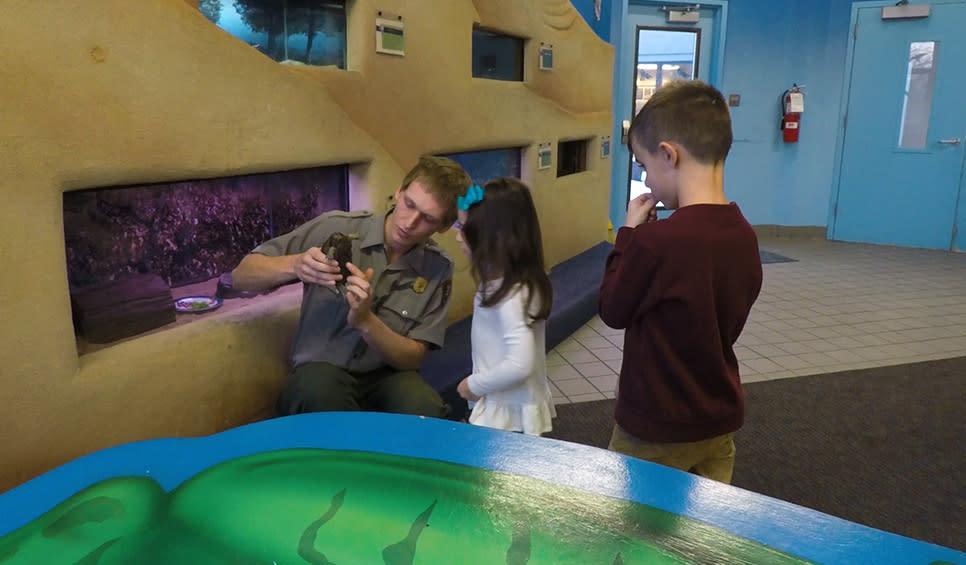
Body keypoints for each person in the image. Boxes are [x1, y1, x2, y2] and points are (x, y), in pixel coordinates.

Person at [598, 80, 763, 483]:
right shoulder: (743, 233)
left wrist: (627, 236)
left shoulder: (655, 243)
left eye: (644, 167)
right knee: (700, 533)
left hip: (653, 428)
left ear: (669, 155)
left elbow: (613, 309)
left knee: (632, 526)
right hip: (717, 422)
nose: (647, 182)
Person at [231, 156, 472, 418]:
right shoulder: (336, 227)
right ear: (399, 191)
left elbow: (413, 358)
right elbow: (242, 276)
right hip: (322, 370)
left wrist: (367, 322)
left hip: (388, 376)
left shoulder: (438, 268)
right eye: (409, 204)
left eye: (427, 218)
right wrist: (296, 265)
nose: (409, 222)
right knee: (317, 394)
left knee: (425, 411)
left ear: (445, 225)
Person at [455, 178, 556, 436]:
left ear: (491, 238)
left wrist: (473, 385)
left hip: (507, 417)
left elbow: (520, 364)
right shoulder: (518, 283)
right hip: (507, 407)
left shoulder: (511, 296)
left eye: (464, 229)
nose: (457, 237)